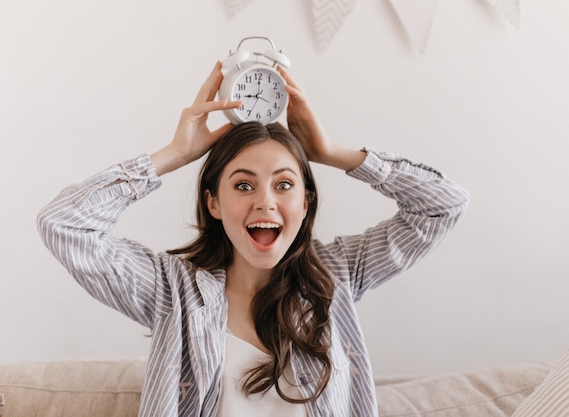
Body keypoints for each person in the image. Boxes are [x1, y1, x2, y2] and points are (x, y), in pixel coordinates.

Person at [37, 62, 469, 417]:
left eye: (284, 185)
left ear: (305, 203)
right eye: (243, 186)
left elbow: (444, 205)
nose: (265, 202)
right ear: (213, 203)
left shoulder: (336, 275)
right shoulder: (172, 291)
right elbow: (63, 224)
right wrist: (175, 154)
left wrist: (332, 151)